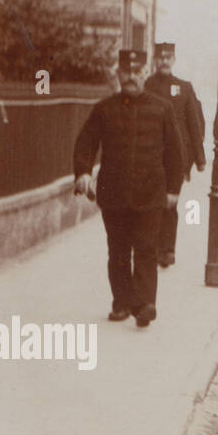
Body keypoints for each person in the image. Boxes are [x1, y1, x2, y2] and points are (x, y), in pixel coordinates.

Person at [73, 49, 184, 327]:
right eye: (126, 72)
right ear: (118, 74)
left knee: (146, 249)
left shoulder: (162, 108)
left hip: (151, 193)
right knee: (119, 250)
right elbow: (86, 141)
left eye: (136, 72)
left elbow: (174, 152)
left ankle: (146, 304)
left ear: (145, 73)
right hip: (114, 194)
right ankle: (121, 303)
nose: (131, 77)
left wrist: (173, 190)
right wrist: (83, 171)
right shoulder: (104, 109)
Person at [143, 41, 205, 268]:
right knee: (151, 203)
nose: (165, 61)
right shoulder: (146, 86)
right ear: (155, 60)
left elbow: (194, 124)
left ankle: (167, 250)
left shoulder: (184, 87)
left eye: (169, 57)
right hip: (150, 155)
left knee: (170, 204)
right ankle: (153, 248)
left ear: (174, 60)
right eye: (161, 57)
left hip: (177, 157)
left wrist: (199, 158)